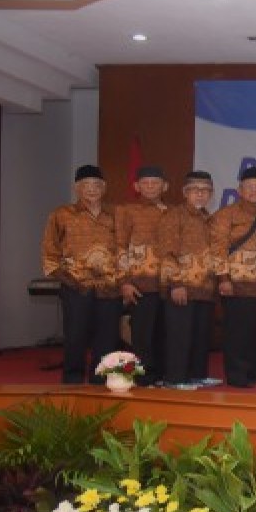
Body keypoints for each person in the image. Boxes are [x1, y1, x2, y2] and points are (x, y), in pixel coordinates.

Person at [41, 165, 122, 384]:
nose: (92, 190)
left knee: (107, 339)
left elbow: (127, 249)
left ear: (104, 188)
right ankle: (72, 381)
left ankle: (101, 381)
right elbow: (50, 252)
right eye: (86, 185)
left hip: (110, 287)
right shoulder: (61, 215)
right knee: (75, 337)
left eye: (96, 185)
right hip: (76, 286)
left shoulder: (117, 214)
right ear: (77, 189)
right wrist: (69, 280)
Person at [210, 166, 256, 389]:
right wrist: (223, 278)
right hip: (236, 284)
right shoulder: (226, 215)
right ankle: (237, 375)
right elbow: (217, 248)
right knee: (238, 332)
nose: (254, 191)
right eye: (249, 187)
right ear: (240, 190)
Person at [157, 171, 216, 390]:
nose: (200, 194)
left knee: (200, 335)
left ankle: (196, 375)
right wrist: (176, 283)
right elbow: (167, 252)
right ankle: (175, 378)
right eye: (195, 190)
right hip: (181, 286)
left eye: (205, 190)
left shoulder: (207, 217)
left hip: (204, 287)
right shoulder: (174, 216)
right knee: (179, 334)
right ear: (185, 192)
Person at [114, 165, 168, 385]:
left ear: (165, 186)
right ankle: (144, 377)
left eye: (155, 183)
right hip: (139, 284)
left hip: (167, 284)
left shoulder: (172, 212)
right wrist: (124, 281)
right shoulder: (127, 211)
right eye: (145, 183)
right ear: (136, 186)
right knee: (142, 335)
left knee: (164, 333)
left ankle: (163, 375)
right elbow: (120, 246)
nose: (150, 187)